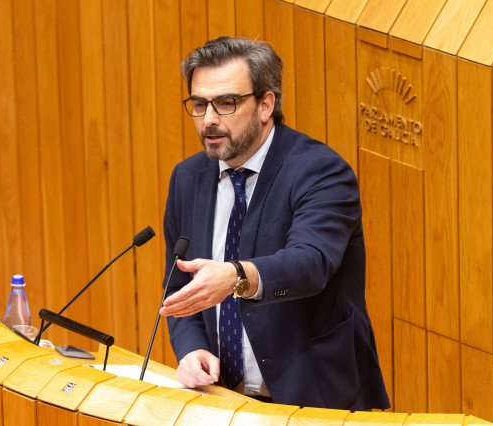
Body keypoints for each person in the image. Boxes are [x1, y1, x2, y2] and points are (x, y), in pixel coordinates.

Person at [159, 36, 390, 411]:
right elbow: (181, 284)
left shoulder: (320, 171)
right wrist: (191, 349)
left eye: (226, 103)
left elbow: (311, 263)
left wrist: (235, 276)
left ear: (266, 104)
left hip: (316, 402)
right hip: (222, 399)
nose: (210, 120)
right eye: (200, 104)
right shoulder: (188, 179)